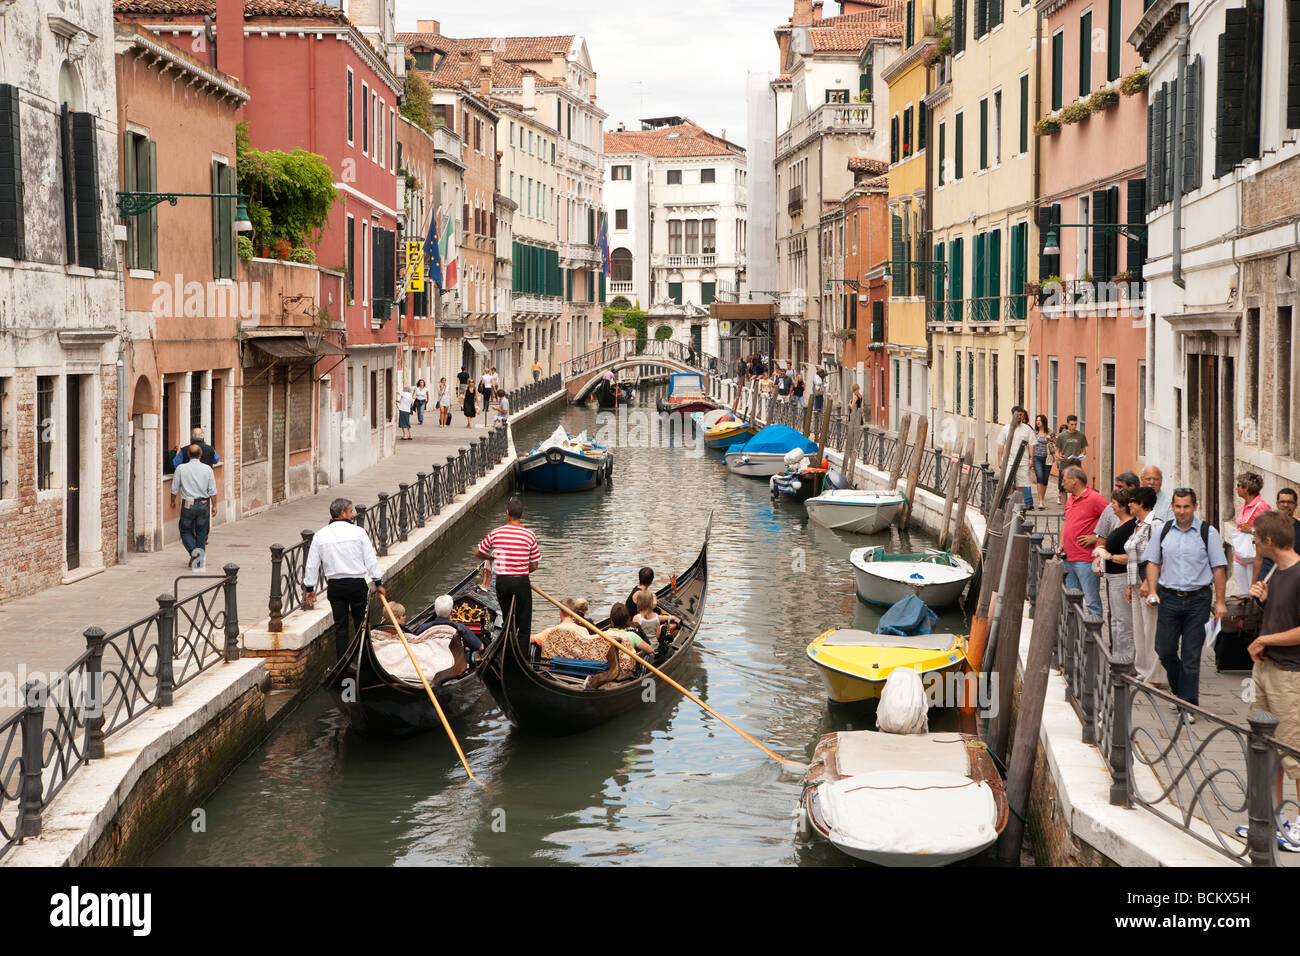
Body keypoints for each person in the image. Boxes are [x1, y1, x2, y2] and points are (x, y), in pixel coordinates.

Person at [1141, 487, 1228, 714]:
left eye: (1186, 506)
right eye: (1177, 506)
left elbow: (1219, 568)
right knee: (1164, 649)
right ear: (1172, 506)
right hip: (1168, 597)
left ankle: (1188, 705)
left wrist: (1220, 602)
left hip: (1198, 600)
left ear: (1195, 507)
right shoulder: (1163, 530)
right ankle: (1181, 691)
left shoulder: (1208, 533)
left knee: (1191, 656)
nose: (1181, 511)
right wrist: (1152, 590)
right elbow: (1152, 561)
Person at [1245, 511, 1300, 850]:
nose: (1255, 545)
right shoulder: (1276, 572)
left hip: (1290, 676)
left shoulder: (1298, 573)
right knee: (1266, 748)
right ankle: (1272, 817)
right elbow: (1282, 617)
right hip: (1266, 670)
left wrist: (1265, 640)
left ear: (1267, 541)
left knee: (1294, 752)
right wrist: (1264, 601)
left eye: (1255, 539)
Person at [303, 497, 385, 660]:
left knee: (341, 627)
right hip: (356, 585)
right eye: (350, 511)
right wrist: (378, 583)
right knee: (361, 625)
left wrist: (309, 589)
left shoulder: (320, 536)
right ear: (342, 513)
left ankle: (342, 661)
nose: (353, 514)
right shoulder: (359, 533)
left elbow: (312, 565)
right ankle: (365, 659)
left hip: (335, 587)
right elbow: (370, 559)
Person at [476, 497, 539, 651]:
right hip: (521, 582)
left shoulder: (496, 533)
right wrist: (521, 572)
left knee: (507, 619)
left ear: (507, 513)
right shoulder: (529, 535)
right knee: (524, 624)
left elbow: (478, 552)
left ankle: (507, 650)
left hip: (502, 582)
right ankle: (522, 657)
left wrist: (492, 557)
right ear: (522, 514)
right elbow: (535, 565)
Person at [1123, 486, 1165, 685]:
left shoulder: (1155, 525)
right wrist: (1129, 586)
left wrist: (1149, 583)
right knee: (1139, 630)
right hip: (1135, 584)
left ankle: (1155, 675)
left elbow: (1159, 556)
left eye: (1132, 501)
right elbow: (1133, 558)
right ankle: (1142, 670)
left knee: (1152, 630)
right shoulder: (1137, 525)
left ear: (1141, 503)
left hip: (1148, 585)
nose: (1128, 504)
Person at [1095, 488, 1137, 661]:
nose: (1111, 506)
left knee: (1123, 620)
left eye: (1113, 503)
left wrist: (1109, 556)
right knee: (1115, 619)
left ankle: (1126, 659)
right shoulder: (1120, 524)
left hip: (1121, 577)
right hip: (1112, 577)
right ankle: (1117, 655)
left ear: (1122, 506)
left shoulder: (1129, 528)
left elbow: (1133, 556)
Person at [1061, 465, 1108, 618]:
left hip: (1085, 560)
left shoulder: (1094, 498)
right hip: (1068, 557)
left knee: (1092, 602)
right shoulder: (1070, 500)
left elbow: (1113, 519)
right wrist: (1061, 543)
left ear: (1074, 480)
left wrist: (1095, 538)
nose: (1062, 483)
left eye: (1064, 480)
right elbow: (1067, 523)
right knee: (1072, 603)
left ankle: (1094, 640)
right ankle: (1075, 640)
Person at [171, 444, 217, 569]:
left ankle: (194, 552)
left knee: (185, 529)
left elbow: (174, 489)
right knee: (202, 531)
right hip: (203, 503)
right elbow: (212, 490)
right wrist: (215, 506)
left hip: (188, 503)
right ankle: (199, 559)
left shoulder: (181, 468)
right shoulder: (208, 469)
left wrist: (172, 501)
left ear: (188, 455)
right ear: (200, 454)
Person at [408, 593, 484, 659]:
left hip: (431, 662)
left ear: (435, 610)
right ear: (451, 612)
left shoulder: (423, 628)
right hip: (454, 666)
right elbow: (480, 647)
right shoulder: (461, 628)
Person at [1230, 471, 1270, 595]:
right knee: (1243, 592)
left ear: (1246, 488)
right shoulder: (1244, 505)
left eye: (1238, 485)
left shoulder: (1262, 507)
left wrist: (1251, 530)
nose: (1236, 488)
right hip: (1239, 556)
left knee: (1252, 592)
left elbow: (1269, 532)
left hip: (1253, 556)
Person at [596, 602, 654, 688]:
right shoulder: (632, 636)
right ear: (627, 620)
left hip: (605, 672)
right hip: (625, 675)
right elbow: (651, 651)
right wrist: (637, 655)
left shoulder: (603, 635)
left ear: (611, 620)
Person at [1079, 471, 1141, 549]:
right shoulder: (1110, 508)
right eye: (1116, 486)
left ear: (1132, 487)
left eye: (1120, 486)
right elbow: (1101, 538)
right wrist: (1099, 558)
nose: (1117, 490)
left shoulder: (1142, 508)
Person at [1257, 488, 1300, 582]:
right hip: (1266, 578)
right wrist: (1254, 583)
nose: (1285, 505)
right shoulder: (1266, 527)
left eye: (1290, 502)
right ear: (1277, 504)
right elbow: (1258, 558)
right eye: (1282, 502)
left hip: (1290, 580)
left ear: (1296, 505)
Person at [997, 406, 1035, 510]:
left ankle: (1018, 505)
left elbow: (1031, 444)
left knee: (1021, 484)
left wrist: (1032, 458)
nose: (1019, 417)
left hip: (1023, 461)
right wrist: (999, 460)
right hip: (1009, 460)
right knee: (1008, 482)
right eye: (1017, 415)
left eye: (1021, 415)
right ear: (1012, 415)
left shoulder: (1027, 429)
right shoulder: (1005, 428)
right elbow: (1001, 445)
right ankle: (1009, 503)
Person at [1054, 415, 1088, 505]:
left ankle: (1074, 508)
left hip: (1076, 466)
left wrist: (1080, 456)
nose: (1074, 426)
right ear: (1068, 424)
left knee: (1076, 488)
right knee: (1063, 489)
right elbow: (1056, 452)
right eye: (1072, 424)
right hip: (1064, 465)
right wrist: (1059, 457)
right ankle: (1065, 511)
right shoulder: (1061, 436)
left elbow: (1084, 451)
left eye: (1075, 424)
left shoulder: (1081, 436)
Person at [1032, 414, 1055, 509]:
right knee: (1040, 477)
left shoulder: (1050, 432)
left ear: (1044, 422)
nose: (1038, 422)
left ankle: (1043, 499)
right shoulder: (1034, 432)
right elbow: (1032, 444)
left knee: (1045, 480)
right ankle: (1040, 502)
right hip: (1037, 457)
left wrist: (1051, 439)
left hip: (1048, 458)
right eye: (1037, 420)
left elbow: (1056, 442)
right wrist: (1031, 457)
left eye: (1040, 420)